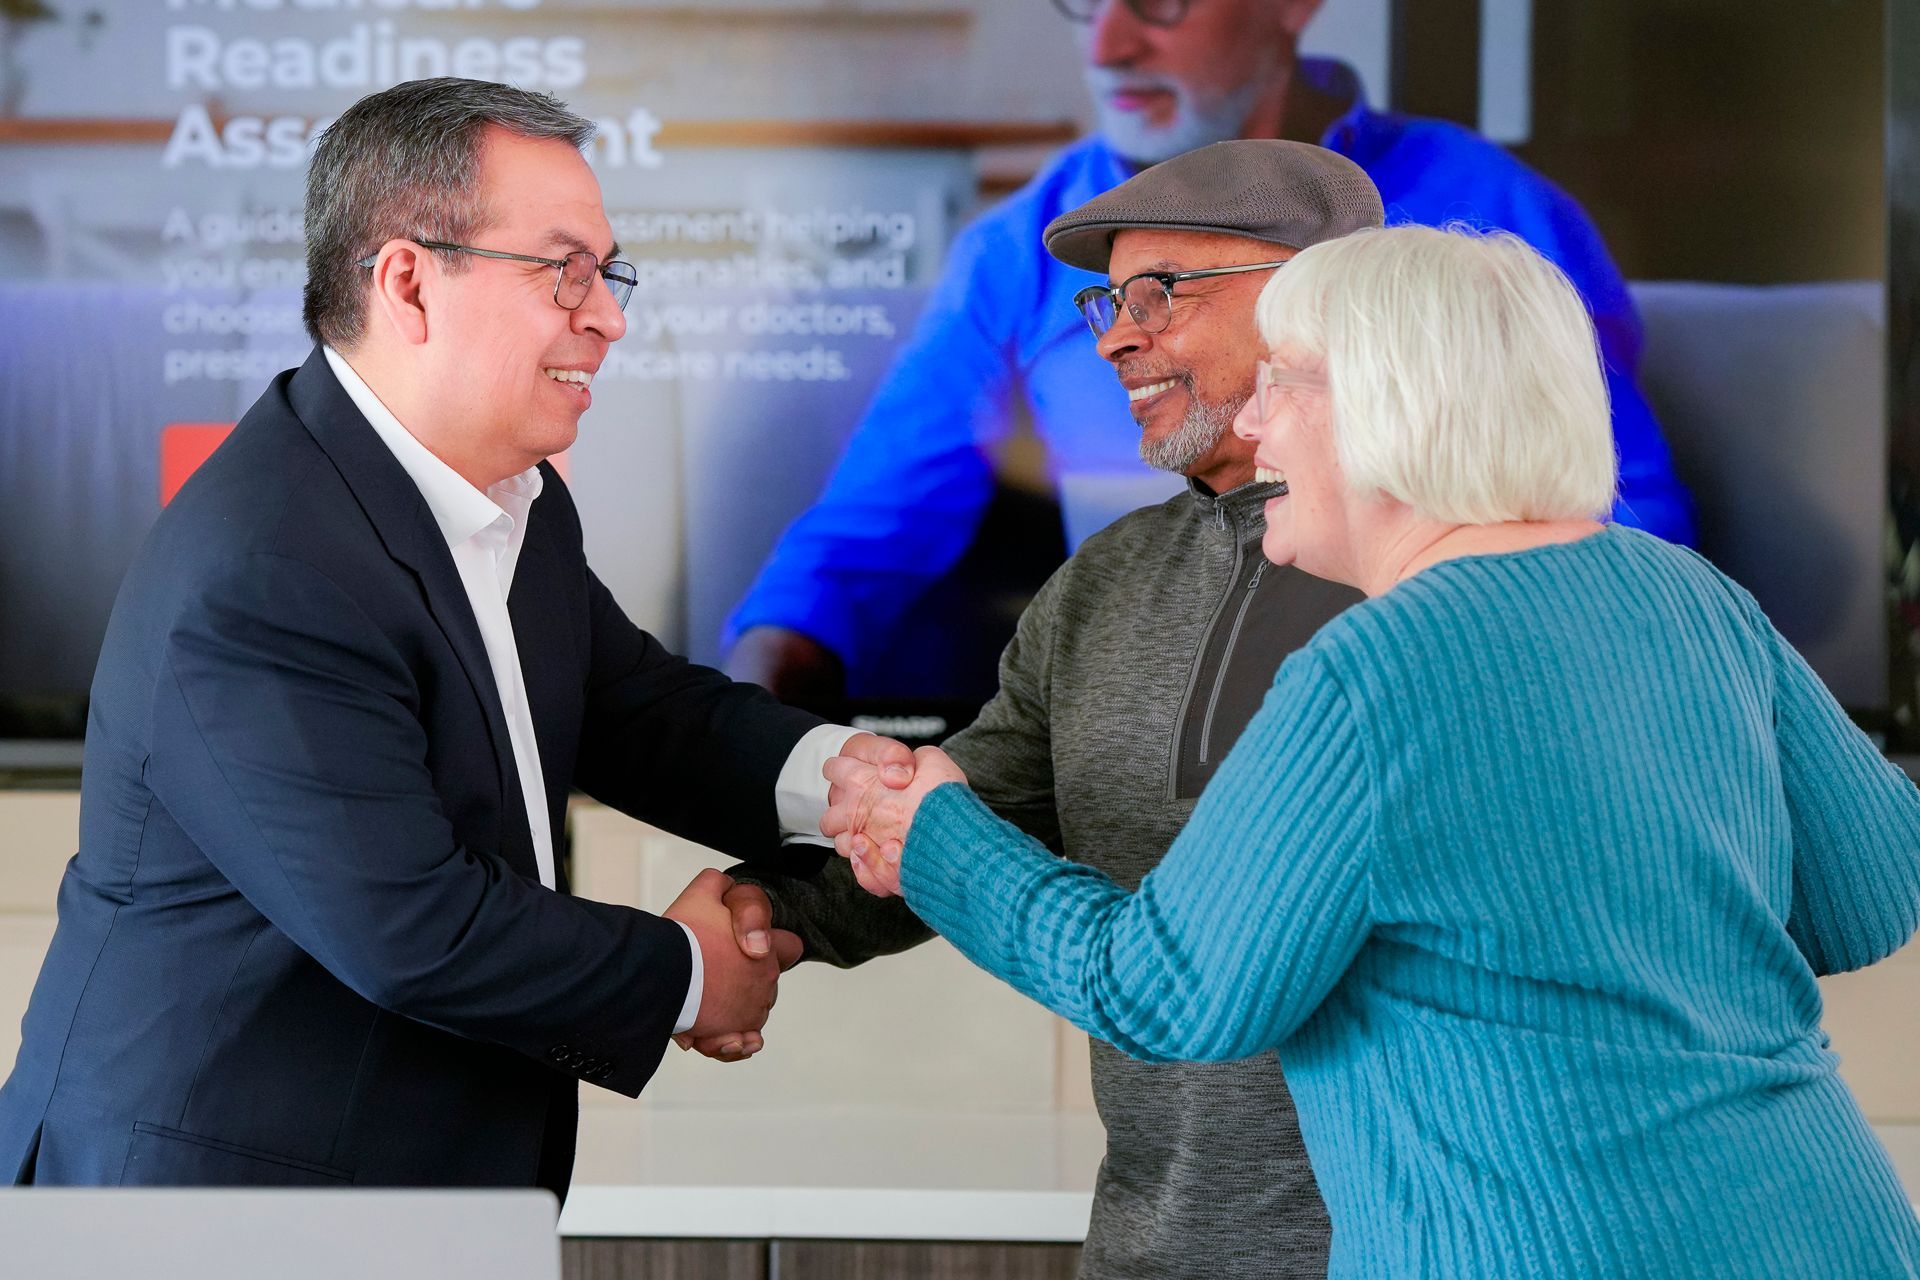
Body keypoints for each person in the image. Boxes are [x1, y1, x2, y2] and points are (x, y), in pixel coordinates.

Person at [823, 224, 1920, 1279]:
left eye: (1283, 382)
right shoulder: (1694, 594)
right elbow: (1872, 892)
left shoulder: (1373, 670)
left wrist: (937, 834)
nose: (1254, 419)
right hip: (1830, 1226)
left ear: (1387, 407)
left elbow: (1170, 994)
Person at [0, 78, 913, 1195]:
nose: (610, 315)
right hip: (213, 1205)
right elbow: (410, 924)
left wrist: (847, 781)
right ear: (408, 282)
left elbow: (638, 707)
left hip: (406, 1195)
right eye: (565, 270)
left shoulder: (508, 495)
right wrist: (686, 971)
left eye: (610, 273)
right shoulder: (269, 565)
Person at [712, 141, 1382, 1279]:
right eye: (1108, 301)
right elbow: (972, 815)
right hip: (1154, 1246)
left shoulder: (1456, 572)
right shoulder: (1106, 581)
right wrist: (754, 911)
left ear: (1318, 303)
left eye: (1161, 293)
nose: (1115, 335)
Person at [724, 0, 1695, 705]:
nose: (1107, 46)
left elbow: (1620, 519)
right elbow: (856, 544)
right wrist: (746, 737)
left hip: (1465, 704)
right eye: (1083, 5)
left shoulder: (1497, 217)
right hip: (1161, 733)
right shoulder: (1013, 252)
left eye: (1157, 1)